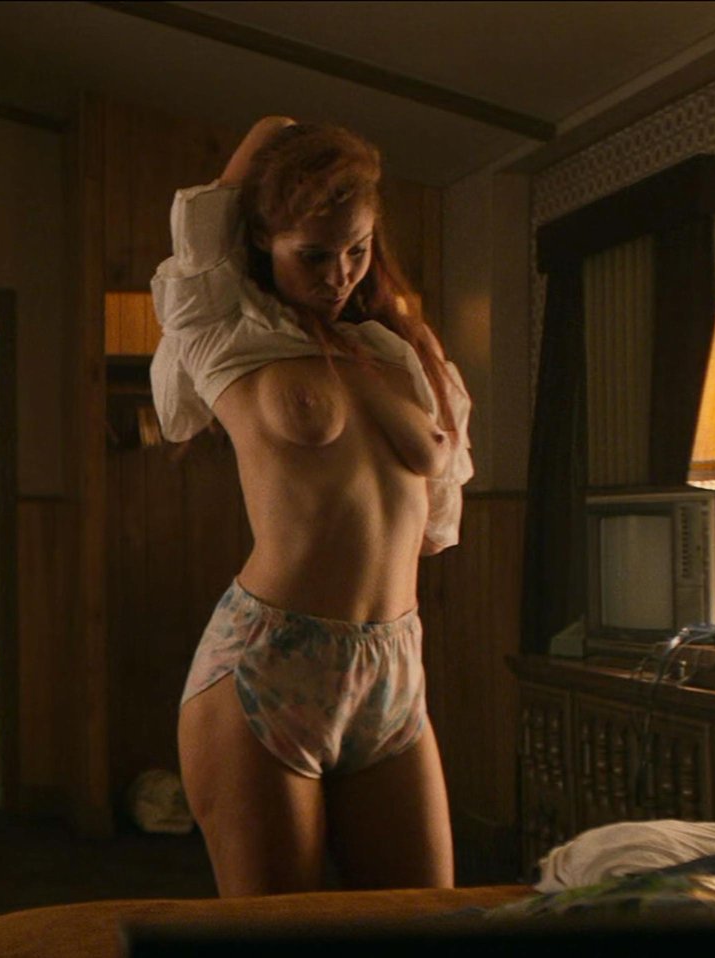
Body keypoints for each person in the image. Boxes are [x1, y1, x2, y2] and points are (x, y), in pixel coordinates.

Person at [150, 117, 473, 896]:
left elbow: (433, 526)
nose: (339, 276)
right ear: (264, 239)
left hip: (393, 666)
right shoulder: (224, 332)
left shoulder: (397, 353)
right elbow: (207, 219)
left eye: (356, 250)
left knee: (426, 926)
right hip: (270, 663)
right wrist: (294, 146)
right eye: (315, 255)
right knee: (280, 939)